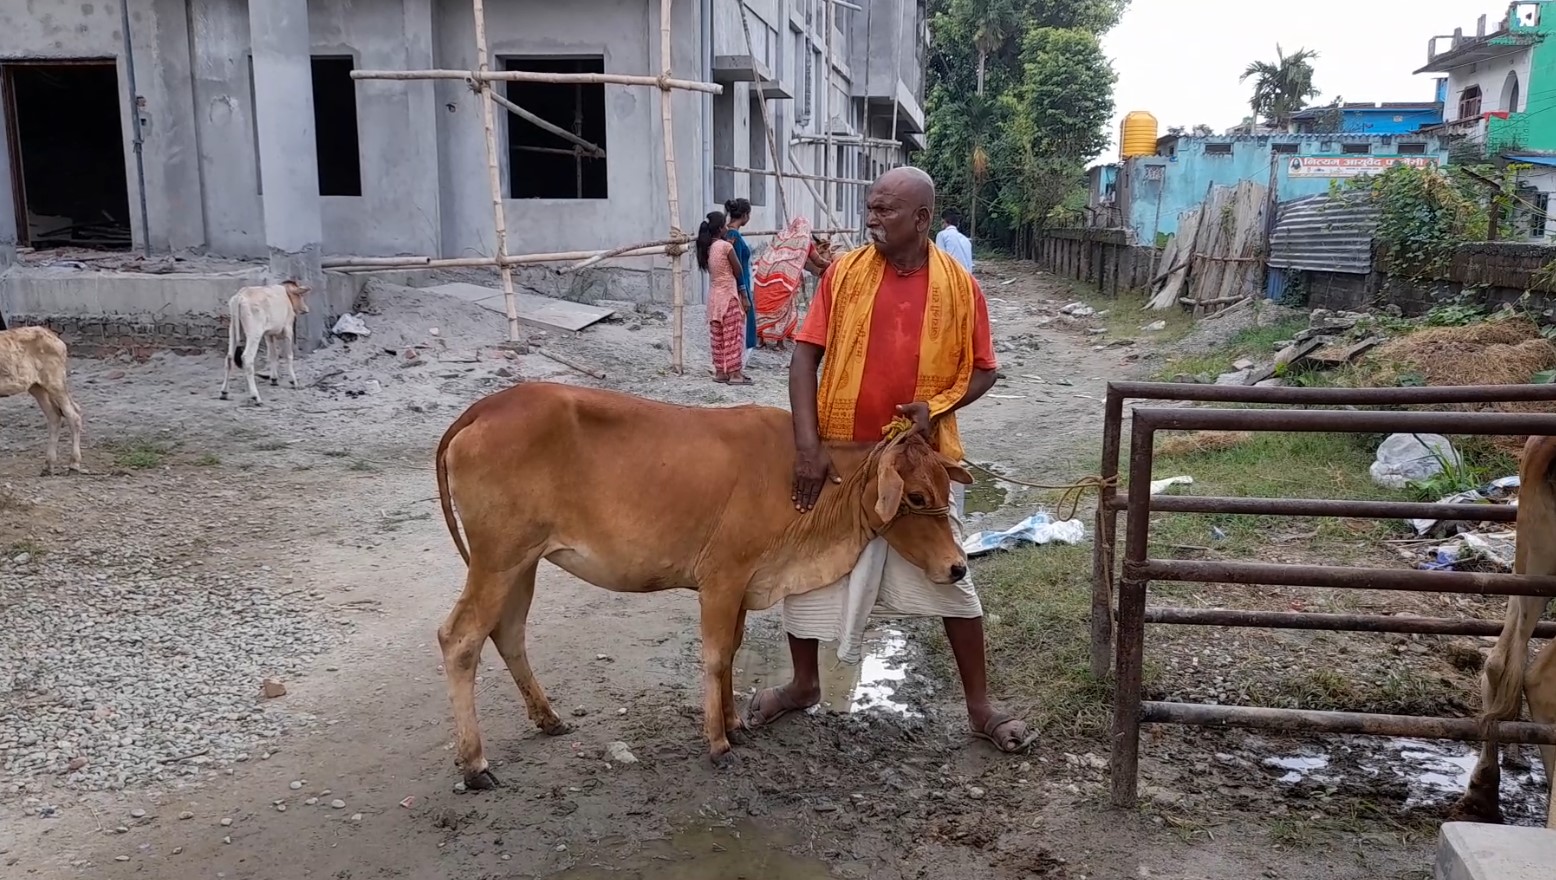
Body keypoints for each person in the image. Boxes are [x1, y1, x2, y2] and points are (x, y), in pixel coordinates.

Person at [745, 167, 1035, 754]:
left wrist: (937, 405)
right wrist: (807, 447)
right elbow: (803, 359)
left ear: (922, 218)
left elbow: (985, 369)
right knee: (806, 569)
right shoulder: (844, 275)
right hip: (841, 460)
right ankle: (804, 686)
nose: (871, 220)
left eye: (885, 211)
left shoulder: (960, 287)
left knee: (951, 574)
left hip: (921, 463)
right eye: (870, 209)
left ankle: (979, 706)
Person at [752, 215, 834, 350]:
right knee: (786, 309)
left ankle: (761, 340)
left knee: (764, 309)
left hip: (764, 276)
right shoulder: (804, 242)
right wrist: (834, 264)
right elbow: (818, 261)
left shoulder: (780, 237)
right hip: (784, 280)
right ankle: (779, 342)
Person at [695, 210, 753, 386]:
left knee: (718, 336)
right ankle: (735, 374)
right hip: (729, 295)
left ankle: (721, 372)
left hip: (714, 297)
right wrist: (744, 295)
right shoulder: (726, 247)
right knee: (733, 335)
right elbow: (738, 270)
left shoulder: (707, 248)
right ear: (721, 228)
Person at [723, 199, 756, 368]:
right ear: (744, 215)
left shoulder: (731, 234)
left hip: (742, 283)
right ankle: (736, 365)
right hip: (738, 285)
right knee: (742, 325)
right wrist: (743, 293)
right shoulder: (733, 236)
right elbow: (736, 267)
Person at [935, 207, 974, 272]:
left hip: (952, 276)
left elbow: (940, 259)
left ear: (943, 221)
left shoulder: (942, 235)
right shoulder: (966, 239)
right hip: (967, 277)